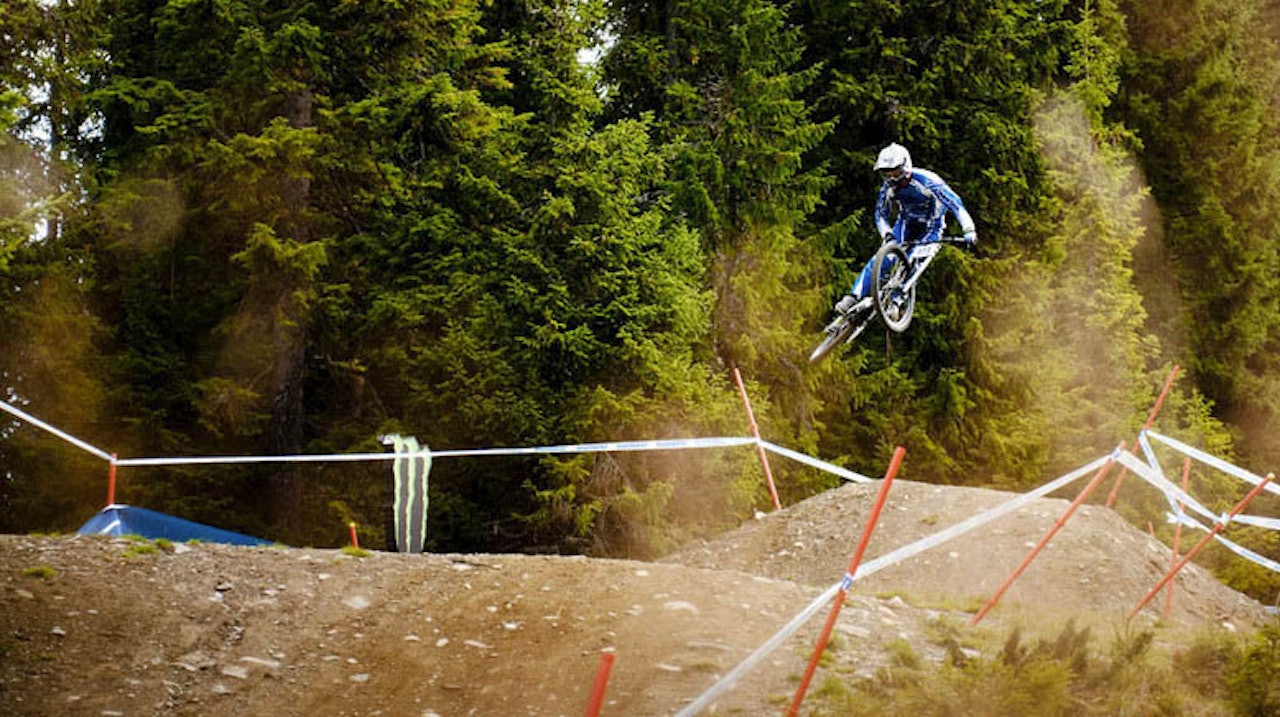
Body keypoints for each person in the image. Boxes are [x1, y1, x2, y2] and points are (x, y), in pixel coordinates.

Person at [834, 143, 977, 316]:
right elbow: (880, 214)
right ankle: (852, 296)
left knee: (917, 260)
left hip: (931, 227)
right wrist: (887, 235)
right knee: (884, 257)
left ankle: (896, 301)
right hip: (906, 224)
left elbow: (955, 204)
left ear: (905, 166)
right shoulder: (888, 188)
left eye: (895, 171)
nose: (891, 176)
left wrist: (968, 229)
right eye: (887, 172)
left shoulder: (929, 181)